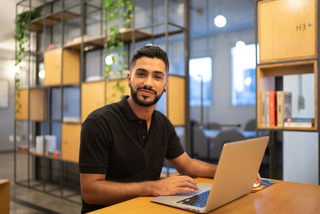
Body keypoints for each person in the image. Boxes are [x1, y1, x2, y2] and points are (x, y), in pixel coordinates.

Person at [79, 45, 261, 213]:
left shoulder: (163, 124)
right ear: (129, 78)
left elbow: (187, 165)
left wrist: (232, 171)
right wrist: (154, 187)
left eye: (157, 76)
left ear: (165, 84)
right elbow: (90, 191)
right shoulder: (99, 122)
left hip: (145, 208)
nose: (148, 83)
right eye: (141, 74)